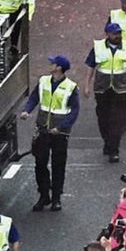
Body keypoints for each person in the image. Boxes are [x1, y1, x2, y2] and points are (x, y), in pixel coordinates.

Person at [20, 54, 79, 211]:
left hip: (59, 134)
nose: (50, 64)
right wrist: (27, 110)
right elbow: (34, 98)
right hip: (43, 130)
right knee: (40, 163)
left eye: (53, 63)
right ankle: (44, 195)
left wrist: (60, 127)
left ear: (59, 67)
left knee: (58, 165)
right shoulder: (43, 81)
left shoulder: (71, 87)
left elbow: (74, 111)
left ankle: (56, 198)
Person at [84, 21, 126, 163]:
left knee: (117, 120)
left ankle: (114, 149)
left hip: (121, 89)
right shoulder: (98, 47)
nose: (118, 35)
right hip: (102, 89)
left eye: (119, 33)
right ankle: (108, 142)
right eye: (115, 33)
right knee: (103, 118)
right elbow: (91, 66)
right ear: (107, 34)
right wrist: (87, 85)